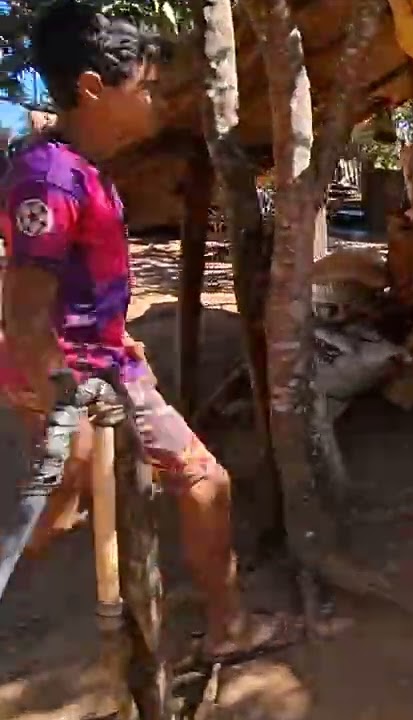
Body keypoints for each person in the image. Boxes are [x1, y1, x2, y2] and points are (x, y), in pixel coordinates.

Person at [0, 0, 301, 664]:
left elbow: (74, 291)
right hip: (74, 376)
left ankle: (225, 624)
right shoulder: (50, 178)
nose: (158, 99)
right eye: (146, 87)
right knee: (67, 507)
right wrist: (62, 409)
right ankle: (228, 628)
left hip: (100, 362)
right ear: (91, 89)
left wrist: (117, 342)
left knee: (132, 495)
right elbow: (23, 305)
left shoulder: (80, 171)